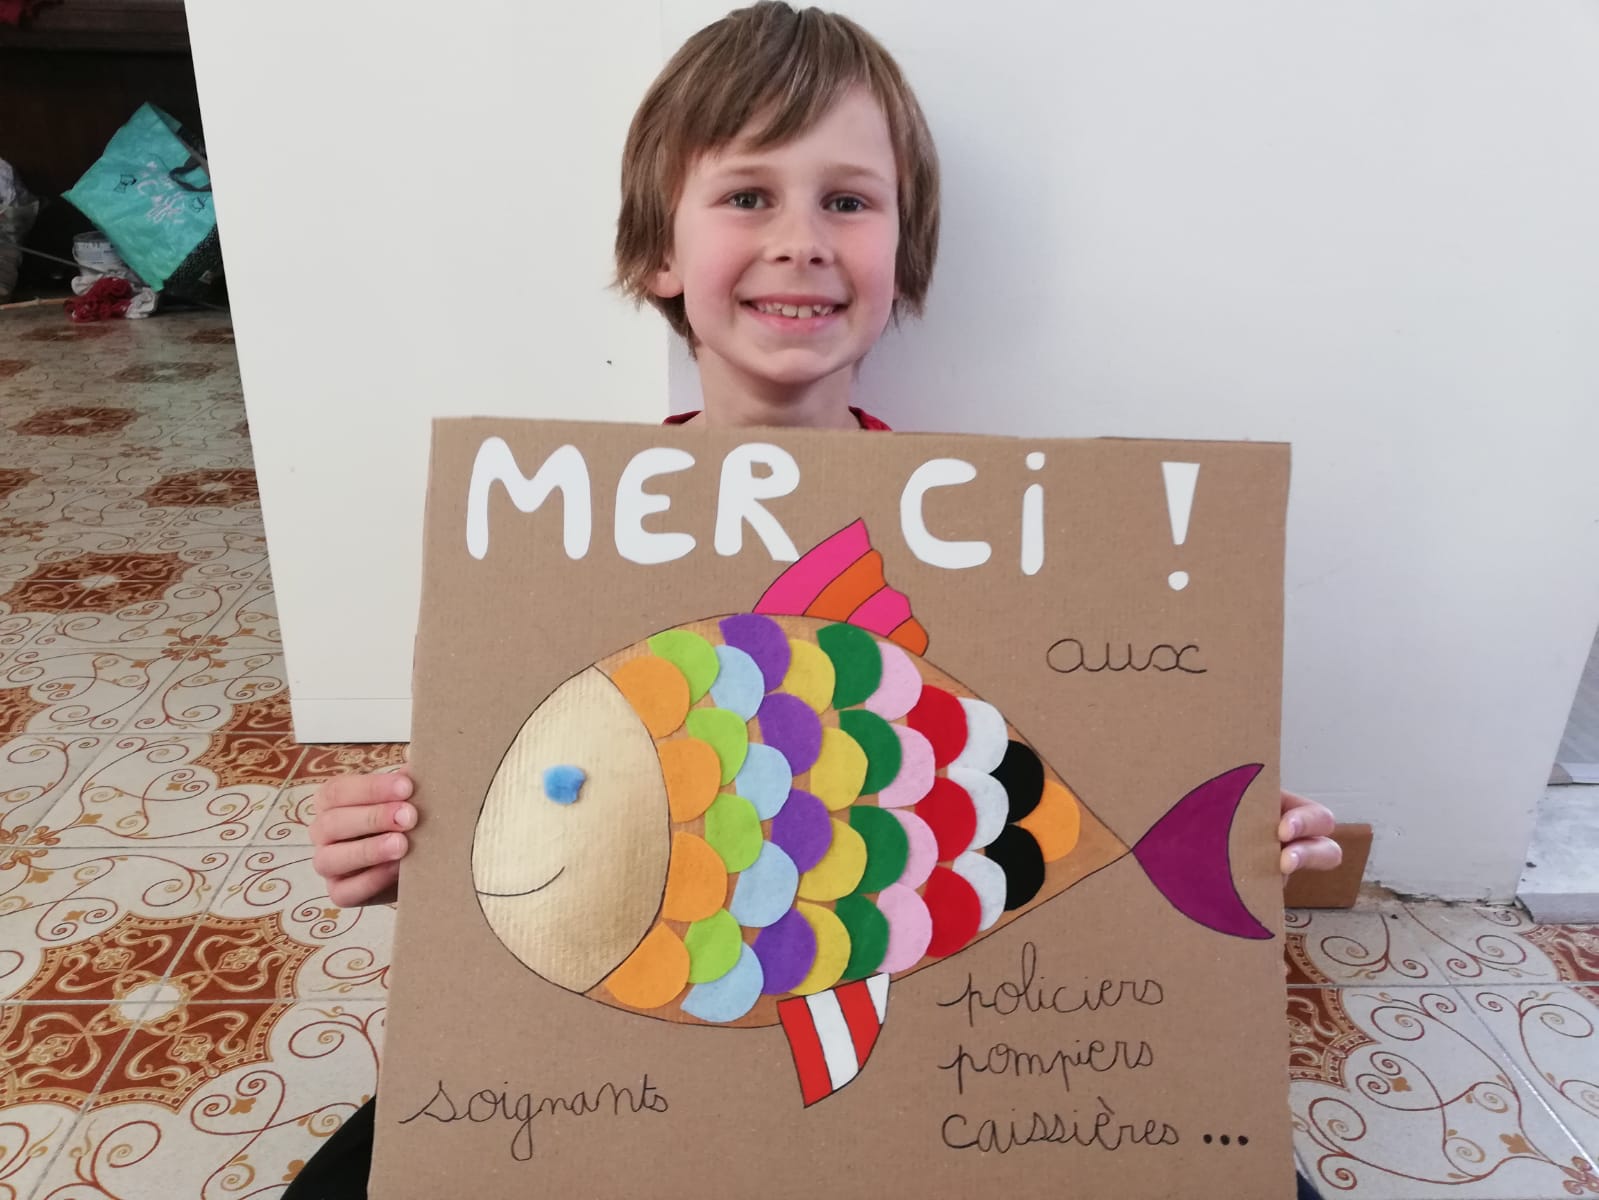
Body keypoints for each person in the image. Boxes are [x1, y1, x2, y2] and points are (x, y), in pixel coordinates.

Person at [287, 5, 1341, 1197]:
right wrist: (407, 847)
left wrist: (1250, 831)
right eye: (748, 196)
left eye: (847, 200)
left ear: (904, 253)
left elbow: (1110, 717)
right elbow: (519, 791)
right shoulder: (553, 545)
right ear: (660, 252)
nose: (800, 241)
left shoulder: (1001, 541)